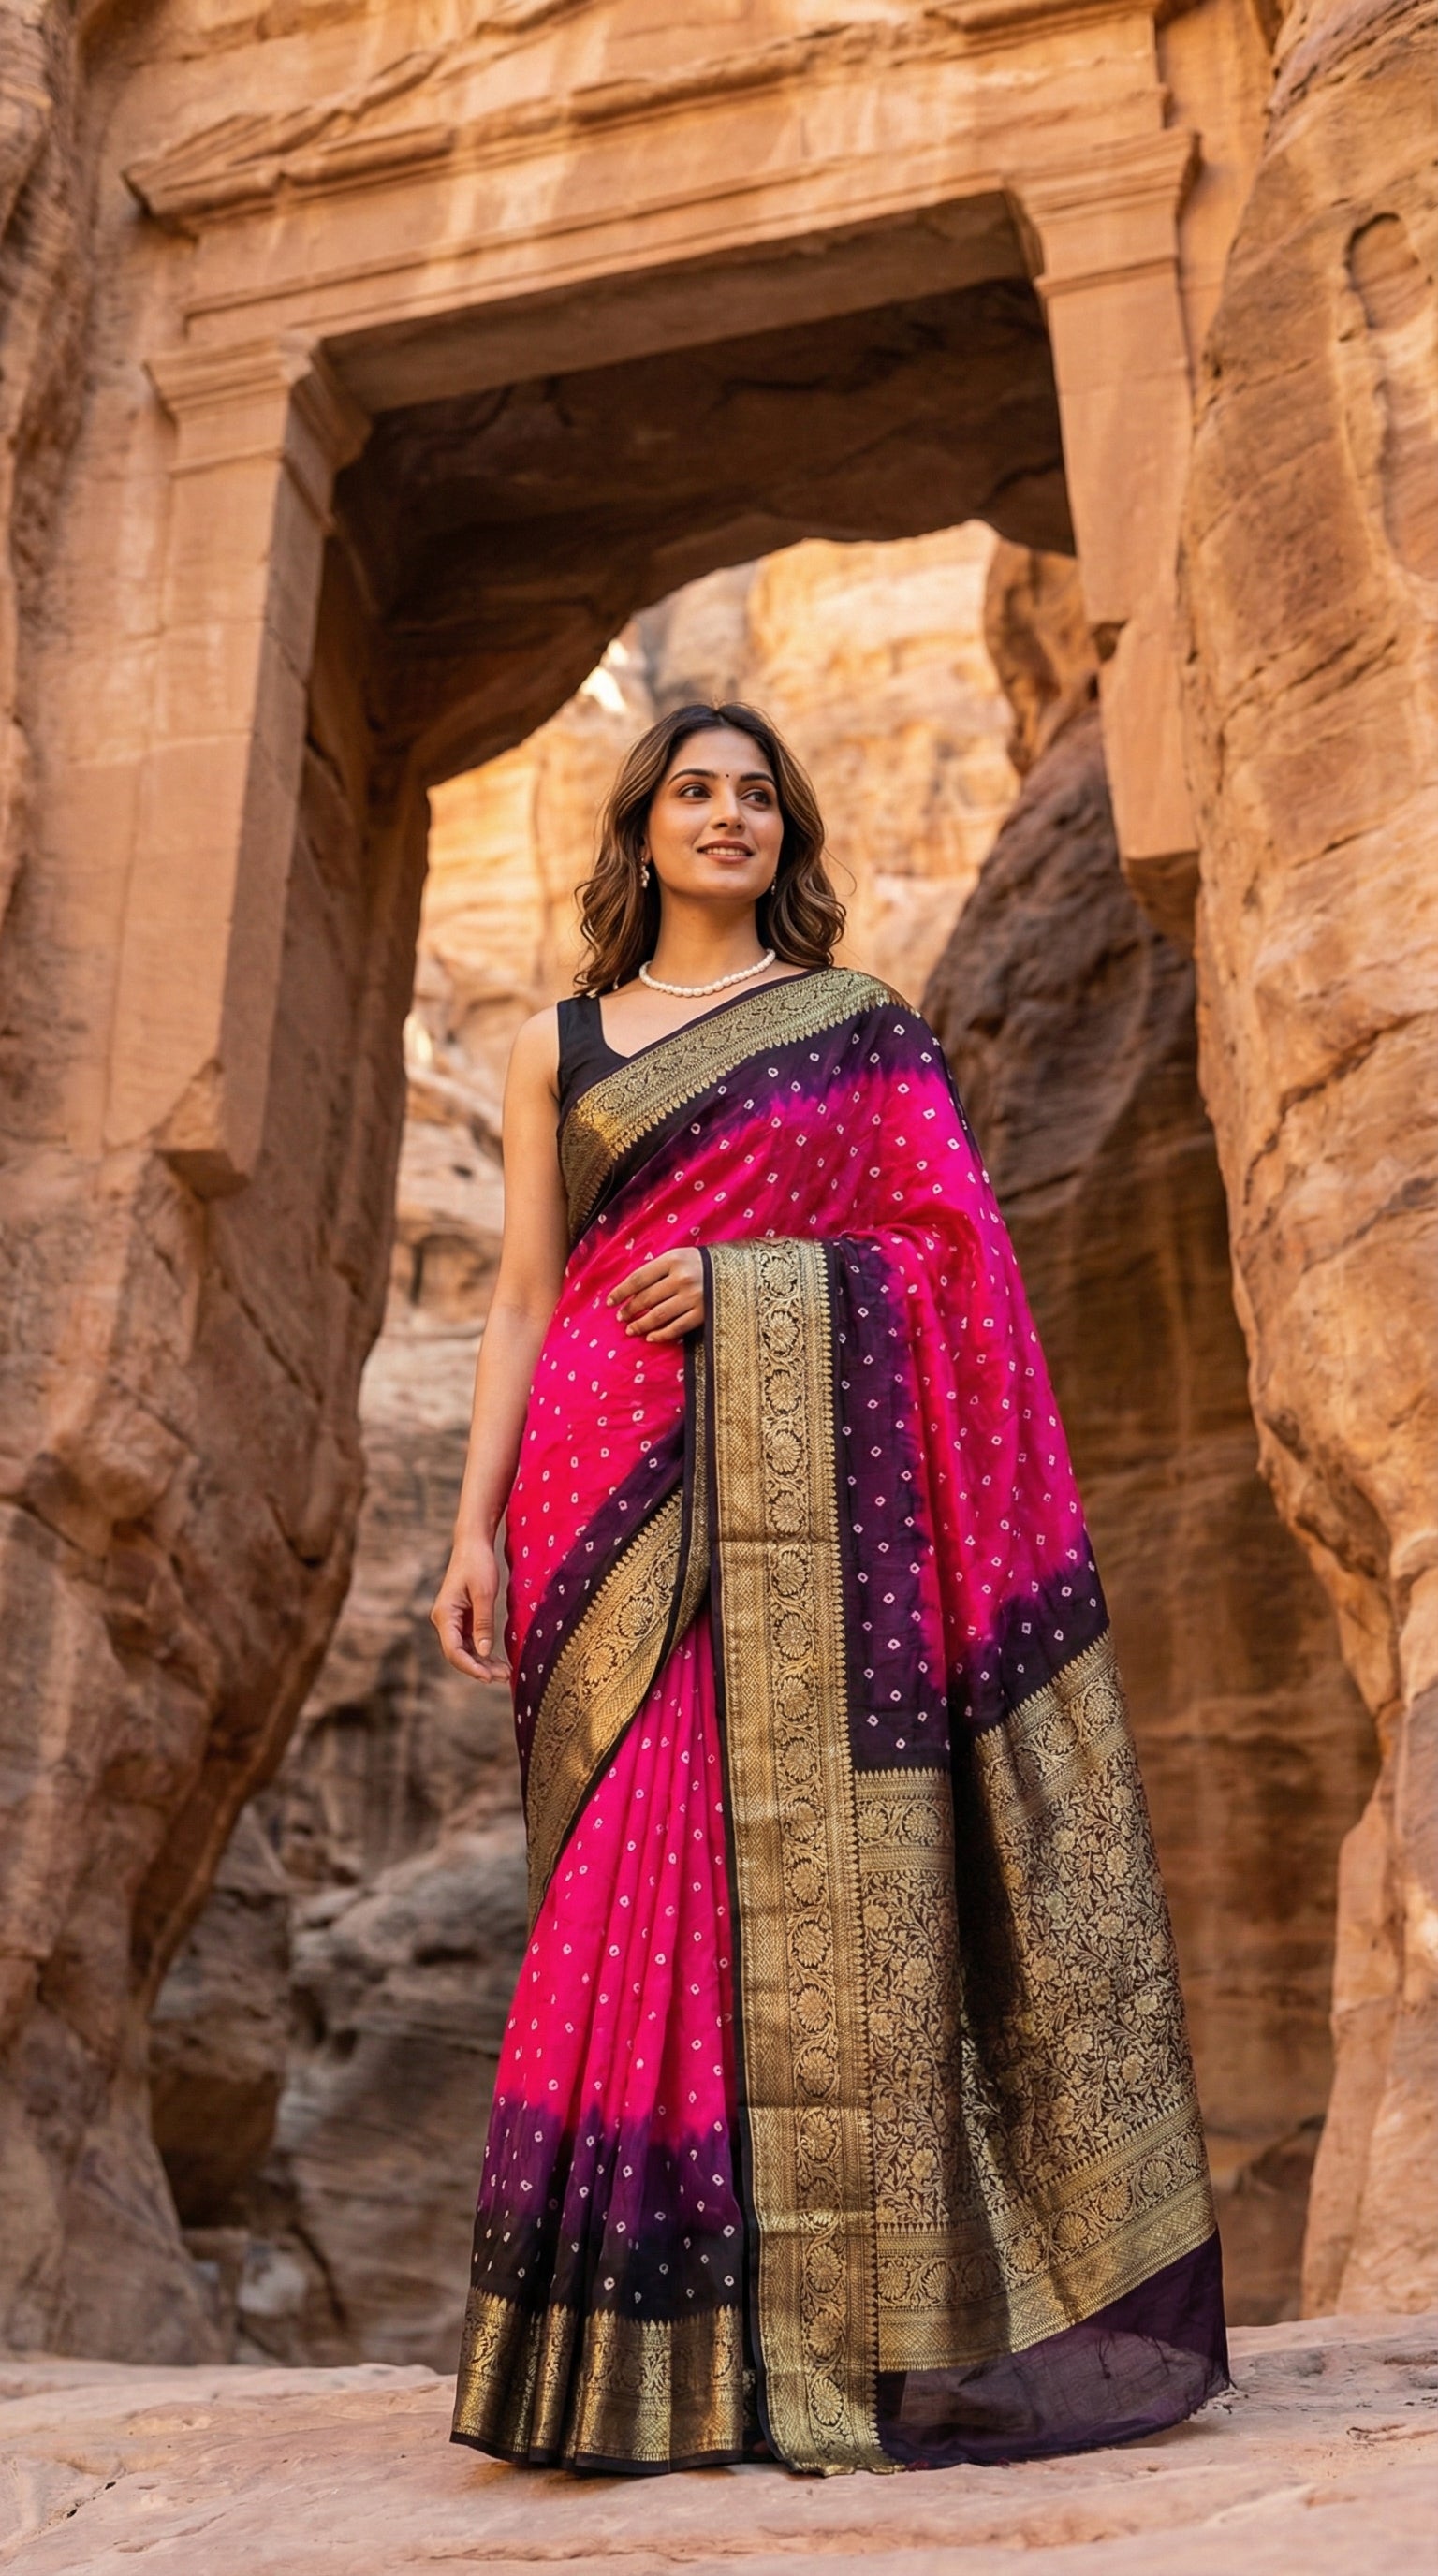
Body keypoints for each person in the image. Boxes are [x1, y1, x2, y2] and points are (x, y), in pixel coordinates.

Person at [432, 701, 1228, 2477]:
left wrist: (756, 1285)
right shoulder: (562, 1047)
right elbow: (520, 1300)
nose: (729, 819)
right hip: (591, 1484)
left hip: (798, 1482)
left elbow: (954, 1258)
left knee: (770, 1865)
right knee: (615, 1883)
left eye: (758, 798)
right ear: (642, 829)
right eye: (696, 793)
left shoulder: (856, 1033)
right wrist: (473, 1526)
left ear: (787, 834)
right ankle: (602, 2351)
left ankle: (791, 2347)